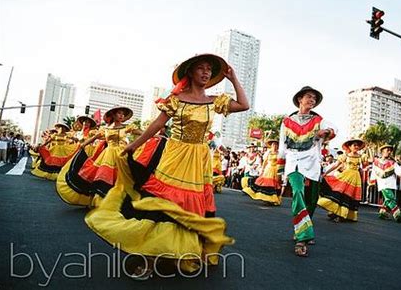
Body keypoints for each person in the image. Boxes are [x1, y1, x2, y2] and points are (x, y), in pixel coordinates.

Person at [85, 53, 249, 278]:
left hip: (199, 159)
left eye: (209, 69)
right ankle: (149, 260)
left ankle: (182, 251)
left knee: (190, 208)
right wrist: (134, 145)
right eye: (201, 68)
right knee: (163, 205)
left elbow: (243, 105)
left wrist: (234, 79)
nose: (206, 72)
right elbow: (157, 124)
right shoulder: (176, 99)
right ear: (190, 72)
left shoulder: (215, 101)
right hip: (174, 155)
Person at [277, 86, 336, 257]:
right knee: (298, 193)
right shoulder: (287, 121)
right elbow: (282, 146)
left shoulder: (318, 120)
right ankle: (302, 238)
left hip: (312, 163)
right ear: (300, 99)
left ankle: (302, 227)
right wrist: (280, 171)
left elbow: (333, 130)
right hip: (294, 161)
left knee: (312, 198)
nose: (312, 100)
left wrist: (325, 132)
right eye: (309, 97)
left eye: (314, 99)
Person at [318, 138, 365, 222]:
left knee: (350, 197)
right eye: (354, 145)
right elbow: (335, 165)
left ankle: (346, 215)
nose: (356, 147)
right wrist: (326, 173)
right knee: (340, 195)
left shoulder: (360, 157)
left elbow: (362, 168)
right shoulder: (345, 156)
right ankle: (337, 213)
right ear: (350, 147)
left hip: (355, 178)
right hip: (346, 176)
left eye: (357, 145)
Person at [369, 144, 401, 223]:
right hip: (382, 183)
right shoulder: (376, 162)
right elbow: (373, 172)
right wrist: (371, 182)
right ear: (382, 151)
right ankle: (397, 215)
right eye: (387, 150)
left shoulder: (392, 163)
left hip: (391, 183)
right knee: (391, 198)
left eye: (390, 150)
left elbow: (398, 170)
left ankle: (383, 213)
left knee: (387, 199)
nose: (389, 152)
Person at [243, 138, 282, 205]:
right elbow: (265, 162)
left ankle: (273, 199)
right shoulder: (268, 153)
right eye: (273, 145)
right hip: (268, 169)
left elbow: (281, 162)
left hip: (275, 170)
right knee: (266, 184)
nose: (275, 146)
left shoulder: (279, 153)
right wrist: (262, 170)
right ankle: (267, 199)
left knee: (274, 185)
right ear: (271, 146)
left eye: (276, 145)